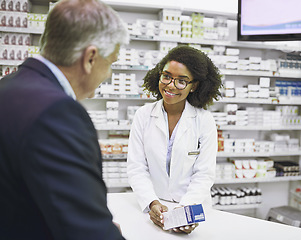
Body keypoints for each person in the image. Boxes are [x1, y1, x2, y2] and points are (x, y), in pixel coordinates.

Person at [0, 0, 129, 239]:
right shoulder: (57, 112)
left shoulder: (8, 86)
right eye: (110, 62)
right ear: (90, 58)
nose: (109, 74)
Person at [127, 45, 222, 234]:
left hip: (191, 205)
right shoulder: (143, 115)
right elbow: (136, 167)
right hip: (154, 206)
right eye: (167, 76)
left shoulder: (204, 121)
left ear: (194, 86)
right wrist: (152, 202)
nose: (170, 85)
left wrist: (185, 210)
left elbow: (204, 174)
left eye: (181, 81)